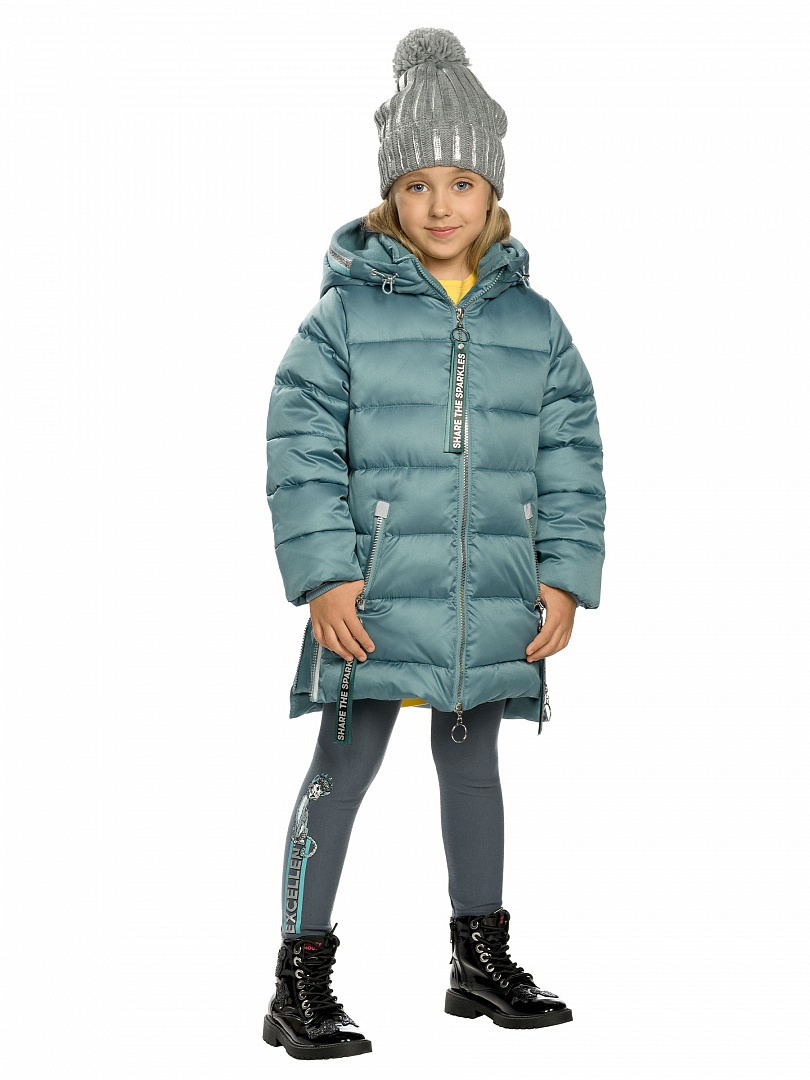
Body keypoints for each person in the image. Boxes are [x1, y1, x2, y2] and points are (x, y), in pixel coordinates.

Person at [261, 27, 606, 1060]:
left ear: (493, 193)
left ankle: (478, 960)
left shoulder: (537, 326)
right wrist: (326, 574)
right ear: (391, 198)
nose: (441, 204)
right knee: (343, 767)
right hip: (371, 600)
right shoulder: (341, 318)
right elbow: (300, 449)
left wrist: (563, 578)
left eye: (461, 182)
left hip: (489, 597)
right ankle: (298, 979)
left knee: (474, 768)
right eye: (417, 184)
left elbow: (572, 456)